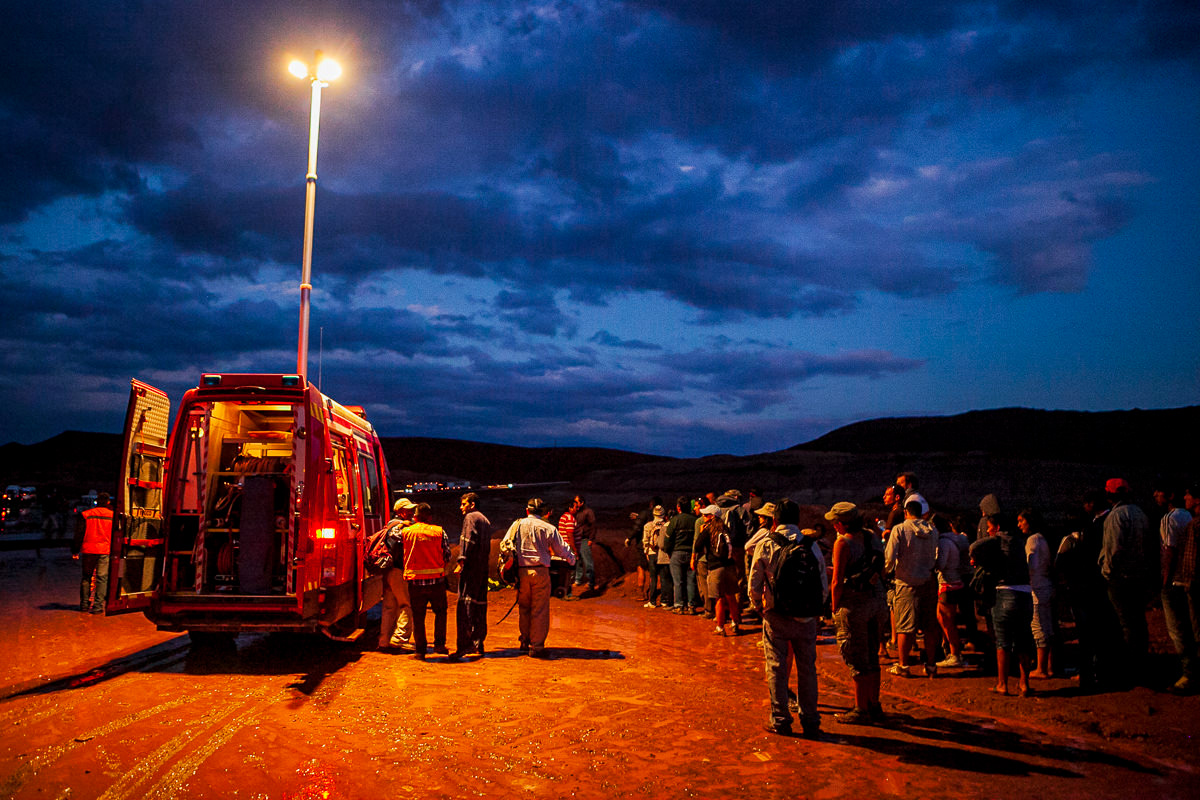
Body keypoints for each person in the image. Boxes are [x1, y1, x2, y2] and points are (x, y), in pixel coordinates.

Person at [750, 498, 827, 739]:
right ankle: (811, 720)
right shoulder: (811, 546)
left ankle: (781, 719)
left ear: (775, 520)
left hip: (777, 616)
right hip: (806, 618)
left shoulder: (766, 544)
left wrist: (759, 608)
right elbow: (822, 584)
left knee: (776, 667)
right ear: (797, 519)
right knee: (807, 669)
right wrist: (814, 609)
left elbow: (754, 583)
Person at [827, 501, 888, 723]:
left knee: (856, 655)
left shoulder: (842, 544)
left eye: (835, 522)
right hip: (876, 598)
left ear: (842, 524)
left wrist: (834, 608)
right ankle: (874, 703)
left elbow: (837, 582)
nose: (833, 526)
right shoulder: (871, 536)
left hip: (854, 604)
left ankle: (861, 708)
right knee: (872, 654)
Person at [501, 498, 577, 657]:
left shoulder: (517, 525)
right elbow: (562, 548)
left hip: (522, 572)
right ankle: (536, 647)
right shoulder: (548, 527)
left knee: (524, 608)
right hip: (541, 572)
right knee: (539, 610)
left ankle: (524, 641)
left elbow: (504, 544)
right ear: (542, 512)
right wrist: (572, 560)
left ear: (527, 510)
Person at [971, 512, 1034, 696]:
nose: (988, 531)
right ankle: (1024, 684)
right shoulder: (1020, 541)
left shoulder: (997, 540)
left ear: (997, 527)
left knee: (1003, 642)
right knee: (1023, 640)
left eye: (990, 528)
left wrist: (982, 561)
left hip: (1005, 592)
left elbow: (974, 547)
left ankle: (1002, 684)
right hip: (1025, 594)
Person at [1100, 478, 1153, 683]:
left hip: (1120, 578)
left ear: (1113, 494)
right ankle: (1140, 664)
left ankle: (1128, 669)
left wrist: (1107, 572)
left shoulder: (1116, 516)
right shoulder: (1140, 513)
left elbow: (1114, 550)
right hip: (1139, 575)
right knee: (1138, 623)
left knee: (1123, 624)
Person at [884, 500, 940, 678]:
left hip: (906, 582)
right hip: (928, 581)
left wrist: (887, 571)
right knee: (930, 626)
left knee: (905, 627)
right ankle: (931, 665)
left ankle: (903, 665)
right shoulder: (932, 530)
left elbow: (890, 557)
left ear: (906, 513)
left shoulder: (899, 529)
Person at [1158, 482, 1196, 693]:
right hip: (1188, 579)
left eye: (1159, 491)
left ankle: (1188, 673)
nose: (1155, 495)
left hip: (1174, 580)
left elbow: (1169, 551)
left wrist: (1164, 579)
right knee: (1191, 627)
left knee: (1177, 629)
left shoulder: (1169, 518)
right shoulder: (1189, 517)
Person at [401, 503, 451, 660]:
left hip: (415, 582)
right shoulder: (439, 532)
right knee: (441, 613)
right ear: (430, 517)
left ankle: (420, 651)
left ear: (415, 517)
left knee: (418, 616)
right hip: (436, 581)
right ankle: (439, 645)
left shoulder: (406, 532)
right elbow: (447, 555)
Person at [451, 493, 492, 660]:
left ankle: (464, 645)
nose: (461, 507)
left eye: (464, 504)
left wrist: (461, 561)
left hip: (471, 569)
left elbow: (468, 540)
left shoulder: (470, 517)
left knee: (465, 606)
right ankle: (478, 644)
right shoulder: (486, 520)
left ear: (472, 504)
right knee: (480, 606)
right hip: (482, 570)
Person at [1018, 509, 1056, 678]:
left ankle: (1041, 668)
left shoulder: (1032, 540)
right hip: (1046, 585)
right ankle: (1049, 666)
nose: (1019, 525)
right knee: (1047, 627)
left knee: (1038, 627)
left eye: (1021, 521)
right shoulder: (1043, 539)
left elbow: (1030, 565)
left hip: (1037, 588)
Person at [693, 504, 741, 636]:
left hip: (716, 568)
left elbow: (697, 546)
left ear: (712, 517)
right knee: (731, 596)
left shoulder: (708, 530)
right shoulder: (725, 528)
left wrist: (702, 531)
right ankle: (735, 623)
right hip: (730, 566)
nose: (703, 517)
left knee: (718, 598)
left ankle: (720, 627)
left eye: (706, 515)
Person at [933, 514, 970, 669]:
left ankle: (955, 654)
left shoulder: (943, 543)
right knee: (945, 619)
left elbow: (941, 564)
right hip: (956, 582)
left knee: (947, 621)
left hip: (947, 584)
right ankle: (952, 651)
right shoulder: (956, 540)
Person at [379, 498, 416, 651]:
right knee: (406, 604)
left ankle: (384, 641)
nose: (412, 512)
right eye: (409, 510)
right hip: (399, 571)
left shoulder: (390, 525)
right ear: (400, 511)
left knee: (389, 606)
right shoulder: (400, 527)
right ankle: (400, 638)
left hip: (389, 571)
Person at [74, 492, 113, 614]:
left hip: (89, 550)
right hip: (104, 550)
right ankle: (98, 606)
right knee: (102, 578)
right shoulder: (112, 516)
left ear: (97, 501)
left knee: (86, 577)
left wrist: (75, 550)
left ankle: (84, 604)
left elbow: (79, 533)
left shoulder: (87, 515)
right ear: (108, 502)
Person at [663, 496, 699, 614]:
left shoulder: (675, 520)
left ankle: (679, 605)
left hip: (677, 553)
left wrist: (668, 551)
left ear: (678, 508)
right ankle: (691, 606)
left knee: (678, 581)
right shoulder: (695, 520)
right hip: (692, 554)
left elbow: (668, 540)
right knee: (691, 580)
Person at [642, 504, 671, 607]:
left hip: (652, 554)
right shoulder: (667, 525)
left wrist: (647, 552)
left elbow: (645, 541)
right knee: (664, 578)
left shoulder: (648, 525)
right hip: (663, 554)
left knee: (653, 578)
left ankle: (652, 601)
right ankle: (664, 600)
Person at [571, 495, 597, 593]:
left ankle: (591, 582)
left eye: (576, 501)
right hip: (577, 539)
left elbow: (593, 525)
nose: (575, 503)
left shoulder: (588, 512)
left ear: (581, 503)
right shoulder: (576, 512)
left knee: (588, 561)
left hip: (584, 539)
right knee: (578, 560)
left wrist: (591, 538)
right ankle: (578, 580)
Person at [558, 504, 578, 599]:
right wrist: (574, 549)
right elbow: (570, 535)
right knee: (570, 570)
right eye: (575, 507)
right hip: (568, 547)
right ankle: (568, 593)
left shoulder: (563, 517)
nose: (577, 509)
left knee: (565, 570)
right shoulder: (570, 518)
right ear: (569, 508)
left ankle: (563, 591)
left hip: (562, 546)